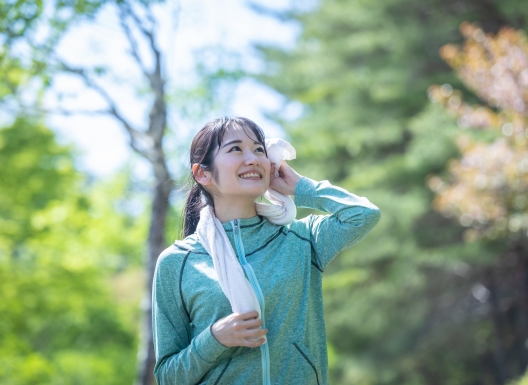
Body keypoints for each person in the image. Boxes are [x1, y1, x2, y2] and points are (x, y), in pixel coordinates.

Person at [152, 117, 381, 385]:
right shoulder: (177, 262)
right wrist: (214, 339)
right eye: (236, 149)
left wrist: (300, 187)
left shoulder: (301, 240)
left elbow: (364, 214)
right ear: (203, 174)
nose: (253, 159)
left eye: (259, 149)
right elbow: (168, 377)